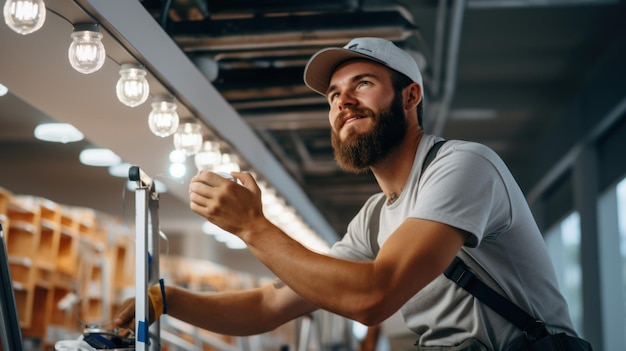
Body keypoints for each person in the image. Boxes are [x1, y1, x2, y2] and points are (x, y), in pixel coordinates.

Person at [114, 37, 579, 350]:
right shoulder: (376, 217)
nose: (343, 102)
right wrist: (167, 298)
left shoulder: (462, 166)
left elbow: (374, 297)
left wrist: (252, 227)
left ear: (410, 97)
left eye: (363, 84)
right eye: (334, 95)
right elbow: (270, 304)